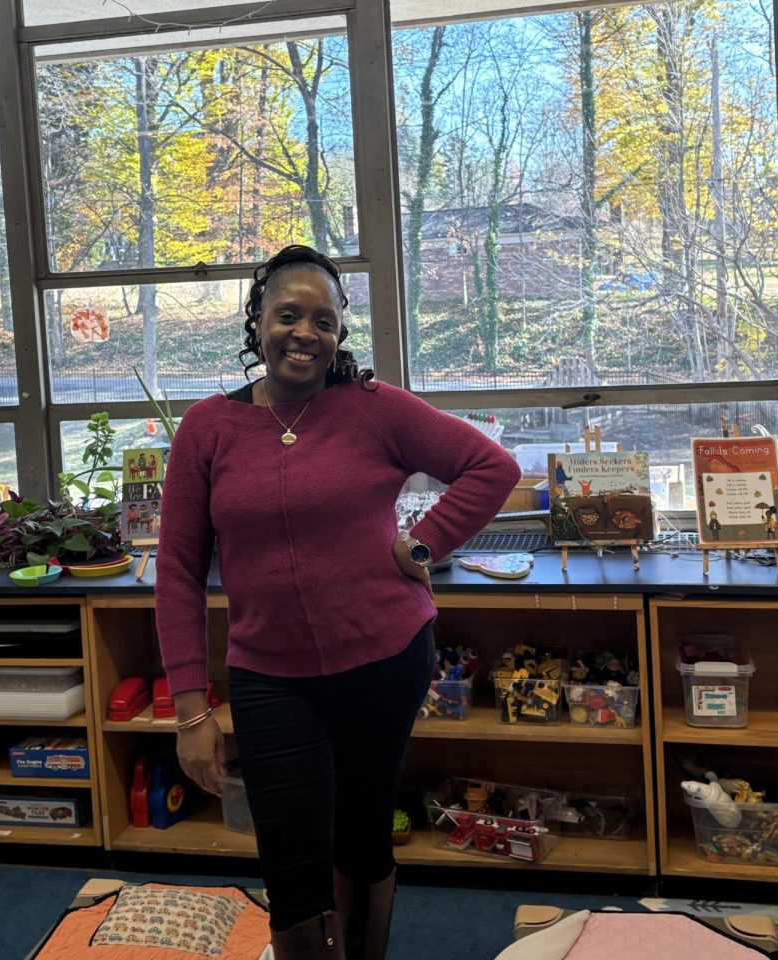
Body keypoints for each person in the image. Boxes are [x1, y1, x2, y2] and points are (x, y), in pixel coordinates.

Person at [155, 245, 520, 960]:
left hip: (385, 660)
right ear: (257, 323)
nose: (305, 332)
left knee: (363, 837)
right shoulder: (209, 427)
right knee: (290, 862)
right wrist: (191, 709)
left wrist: (423, 543)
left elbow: (491, 467)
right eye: (288, 314)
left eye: (324, 320)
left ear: (340, 334)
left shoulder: (374, 409)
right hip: (270, 677)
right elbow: (177, 571)